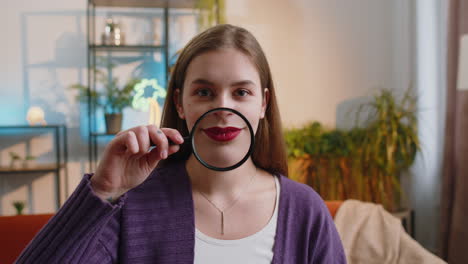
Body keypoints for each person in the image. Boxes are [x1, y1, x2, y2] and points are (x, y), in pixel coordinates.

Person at [15, 24, 346, 264]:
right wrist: (102, 189)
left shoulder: (305, 210)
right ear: (179, 104)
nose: (224, 109)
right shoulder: (133, 205)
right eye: (204, 92)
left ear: (262, 104)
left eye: (241, 92)